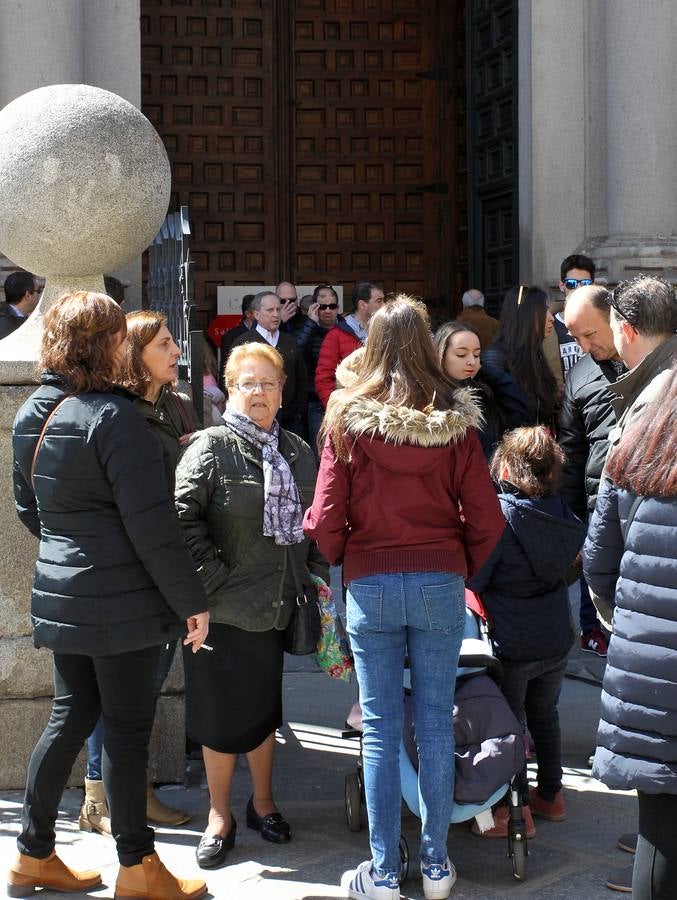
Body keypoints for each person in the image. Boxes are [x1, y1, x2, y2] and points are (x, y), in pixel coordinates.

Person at [9, 291, 209, 900]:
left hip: (66, 593)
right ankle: (138, 866)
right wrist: (190, 601)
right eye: (121, 336)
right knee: (125, 732)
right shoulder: (115, 418)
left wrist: (75, 553)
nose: (127, 344)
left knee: (70, 718)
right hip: (121, 600)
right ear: (102, 344)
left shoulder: (36, 414)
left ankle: (32, 854)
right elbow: (153, 528)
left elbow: (32, 510)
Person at [304, 296, 505, 900]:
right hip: (441, 579)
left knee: (382, 727)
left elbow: (323, 517)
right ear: (425, 346)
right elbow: (489, 517)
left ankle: (385, 872)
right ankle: (438, 865)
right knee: (438, 727)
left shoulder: (347, 420)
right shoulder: (457, 423)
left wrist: (348, 558)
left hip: (371, 582)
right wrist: (456, 563)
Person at [174, 342, 328, 870]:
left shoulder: (298, 450)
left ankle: (263, 803)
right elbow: (180, 518)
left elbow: (314, 525)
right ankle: (220, 816)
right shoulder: (210, 446)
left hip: (277, 603)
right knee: (219, 718)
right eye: (247, 383)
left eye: (268, 383)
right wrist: (213, 578)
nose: (258, 392)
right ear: (230, 393)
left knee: (264, 712)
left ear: (283, 392)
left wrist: (316, 576)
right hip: (218, 610)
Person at [77, 310, 201, 838]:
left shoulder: (176, 405)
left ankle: (127, 791)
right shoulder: (119, 414)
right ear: (135, 354)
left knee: (139, 693)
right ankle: (102, 799)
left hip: (167, 564)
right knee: (117, 695)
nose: (176, 352)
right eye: (165, 344)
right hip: (131, 573)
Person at [583, 366, 677, 900]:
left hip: (648, 671)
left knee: (658, 830)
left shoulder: (640, 447)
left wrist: (631, 628)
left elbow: (598, 561)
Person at [469, 427, 586, 838]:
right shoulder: (562, 513)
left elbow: (477, 577)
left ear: (505, 466)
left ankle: (512, 812)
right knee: (545, 716)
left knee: (510, 724)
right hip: (555, 636)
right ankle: (551, 796)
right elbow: (570, 569)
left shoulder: (501, 515)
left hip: (513, 643)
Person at [559, 284, 627, 658]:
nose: (583, 346)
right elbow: (571, 452)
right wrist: (569, 519)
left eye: (589, 334)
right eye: (575, 337)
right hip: (596, 501)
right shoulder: (581, 373)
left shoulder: (653, 359)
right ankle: (595, 632)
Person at [434, 320, 529, 460]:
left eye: (477, 355)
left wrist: (484, 371)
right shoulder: (432, 399)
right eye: (461, 354)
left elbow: (520, 420)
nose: (471, 361)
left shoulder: (481, 392)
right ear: (440, 355)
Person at [230, 290, 308, 436]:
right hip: (253, 418)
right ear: (257, 314)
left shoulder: (290, 341)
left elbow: (302, 378)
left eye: (278, 309)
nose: (276, 314)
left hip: (290, 421)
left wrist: (298, 412)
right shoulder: (243, 342)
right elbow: (230, 380)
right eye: (270, 310)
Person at [482, 285, 558, 429]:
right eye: (544, 310)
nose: (551, 318)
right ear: (524, 315)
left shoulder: (535, 355)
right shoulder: (495, 358)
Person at [314, 281, 385, 406]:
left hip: (380, 410)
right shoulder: (336, 335)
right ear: (363, 305)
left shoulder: (386, 332)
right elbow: (323, 379)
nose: (384, 305)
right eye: (379, 301)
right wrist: (337, 410)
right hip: (350, 411)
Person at [293, 283, 340, 455]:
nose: (328, 311)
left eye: (332, 306)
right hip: (315, 403)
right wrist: (311, 323)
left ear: (338, 308)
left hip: (342, 399)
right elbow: (296, 352)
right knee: (318, 452)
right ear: (314, 308)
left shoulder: (346, 329)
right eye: (322, 307)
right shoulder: (306, 328)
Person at [552, 253, 596, 379]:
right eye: (571, 283)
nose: (578, 288)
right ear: (561, 286)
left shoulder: (604, 323)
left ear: (592, 286)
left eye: (585, 283)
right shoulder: (549, 325)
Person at [219, 293, 255, 382]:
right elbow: (225, 368)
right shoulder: (231, 337)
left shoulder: (267, 332)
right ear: (248, 314)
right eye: (258, 311)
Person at [0, 269, 40, 339]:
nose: (40, 295)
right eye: (38, 291)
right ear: (27, 295)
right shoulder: (4, 325)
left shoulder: (11, 318)